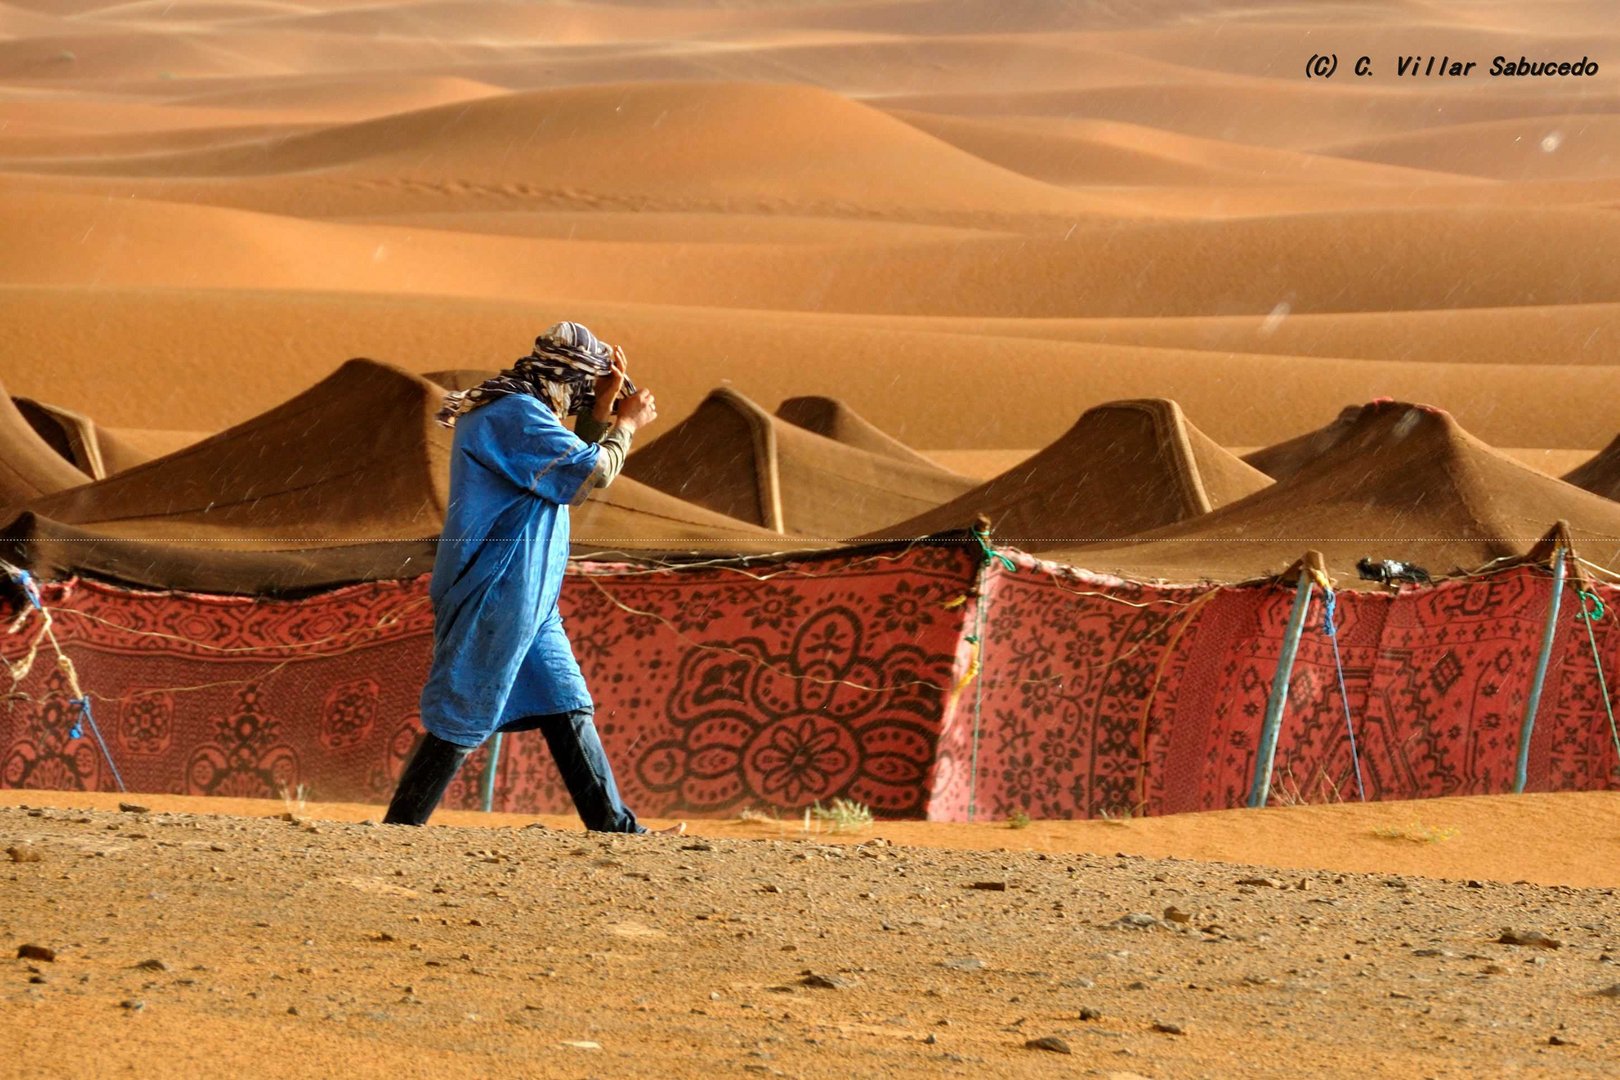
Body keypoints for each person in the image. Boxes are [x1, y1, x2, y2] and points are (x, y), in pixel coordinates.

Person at [384, 322, 677, 833]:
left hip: (530, 595)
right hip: (495, 589)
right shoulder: (513, 415)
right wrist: (625, 425)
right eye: (584, 388)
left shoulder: (529, 413)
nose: (582, 400)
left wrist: (602, 410)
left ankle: (615, 829)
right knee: (464, 708)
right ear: (565, 377)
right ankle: (400, 830)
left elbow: (567, 473)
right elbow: (592, 472)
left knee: (566, 701)